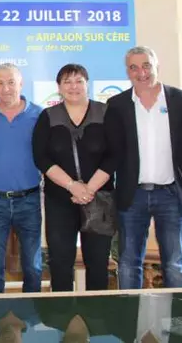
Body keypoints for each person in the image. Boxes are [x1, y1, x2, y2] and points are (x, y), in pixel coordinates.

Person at [105, 46, 182, 290]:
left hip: (172, 194)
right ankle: (128, 325)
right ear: (127, 72)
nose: (141, 73)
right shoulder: (117, 105)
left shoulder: (181, 100)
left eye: (146, 66)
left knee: (175, 264)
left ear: (157, 67)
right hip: (133, 195)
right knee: (128, 263)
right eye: (133, 67)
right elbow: (112, 151)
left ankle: (179, 326)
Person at [32, 64, 116, 292]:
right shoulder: (48, 116)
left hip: (99, 198)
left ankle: (98, 323)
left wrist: (88, 189)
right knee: (60, 263)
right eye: (67, 82)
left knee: (98, 264)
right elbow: (41, 158)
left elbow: (115, 155)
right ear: (58, 87)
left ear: (87, 84)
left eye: (78, 81)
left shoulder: (105, 113)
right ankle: (61, 322)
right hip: (60, 201)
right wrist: (72, 187)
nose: (73, 87)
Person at [0, 63, 43, 293]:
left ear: (21, 84)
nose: (5, 88)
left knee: (33, 263)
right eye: (0, 83)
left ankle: (33, 309)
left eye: (11, 82)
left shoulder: (39, 114)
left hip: (29, 199)